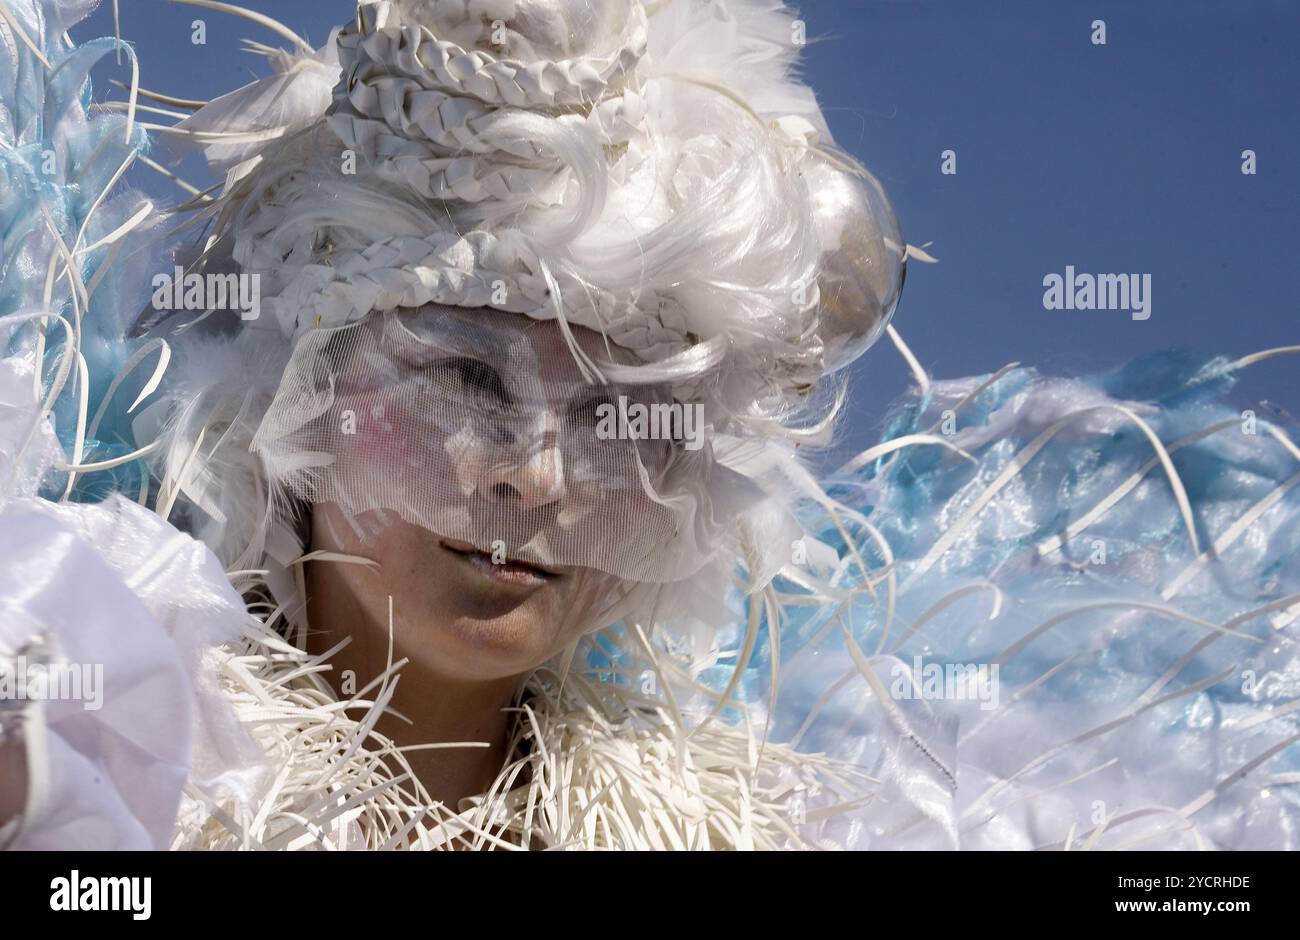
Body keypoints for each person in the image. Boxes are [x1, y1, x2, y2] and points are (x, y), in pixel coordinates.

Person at [1, 0, 1298, 851]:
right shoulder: (97, 740)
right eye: (460, 377)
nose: (534, 472)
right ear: (300, 386)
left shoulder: (755, 830)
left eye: (626, 419)